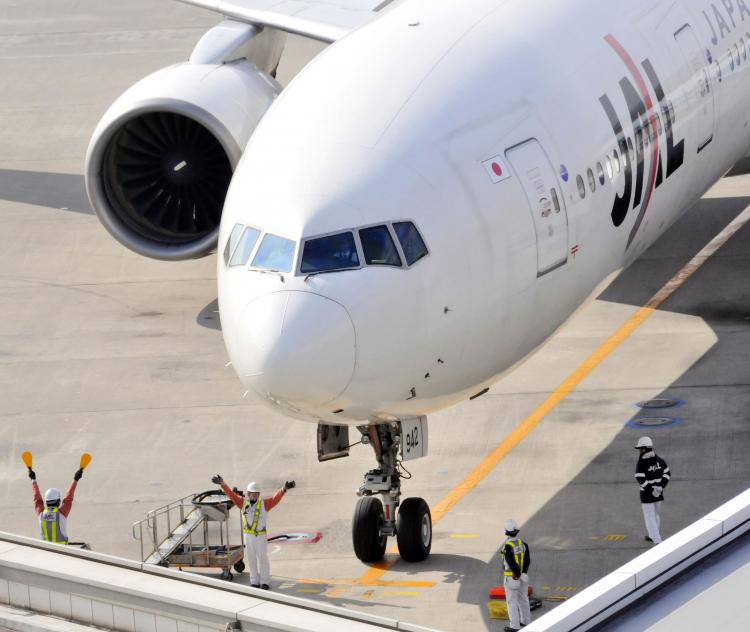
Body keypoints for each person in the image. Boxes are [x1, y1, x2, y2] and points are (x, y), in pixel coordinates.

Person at [211, 474, 294, 589]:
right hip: (248, 536)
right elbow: (231, 495)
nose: (254, 495)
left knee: (263, 559)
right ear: (248, 494)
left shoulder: (264, 504)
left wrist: (283, 489)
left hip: (260, 536)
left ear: (258, 494)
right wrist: (223, 484)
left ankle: (264, 582)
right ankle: (254, 581)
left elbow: (275, 499)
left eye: (256, 493)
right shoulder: (242, 503)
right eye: (252, 493)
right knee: (251, 559)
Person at [29, 466, 84, 544]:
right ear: (58, 501)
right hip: (62, 551)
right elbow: (69, 497)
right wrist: (76, 479)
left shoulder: (40, 514)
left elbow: (37, 499)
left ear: (46, 501)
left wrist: (33, 479)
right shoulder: (62, 513)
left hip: (47, 551)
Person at [634, 436, 671, 544]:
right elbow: (667, 474)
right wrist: (660, 487)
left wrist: (650, 489)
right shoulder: (659, 460)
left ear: (644, 449)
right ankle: (653, 535)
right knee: (656, 515)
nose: (639, 451)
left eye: (640, 449)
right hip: (659, 493)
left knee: (649, 516)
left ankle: (657, 540)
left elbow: (639, 477)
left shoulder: (641, 463)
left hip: (646, 495)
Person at [502, 518, 531, 632]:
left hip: (512, 578)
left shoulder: (507, 546)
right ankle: (526, 622)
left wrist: (517, 574)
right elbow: (527, 560)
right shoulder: (523, 544)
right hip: (523, 577)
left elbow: (511, 562)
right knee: (523, 599)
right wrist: (523, 573)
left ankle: (515, 627)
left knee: (512, 602)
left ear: (506, 532)